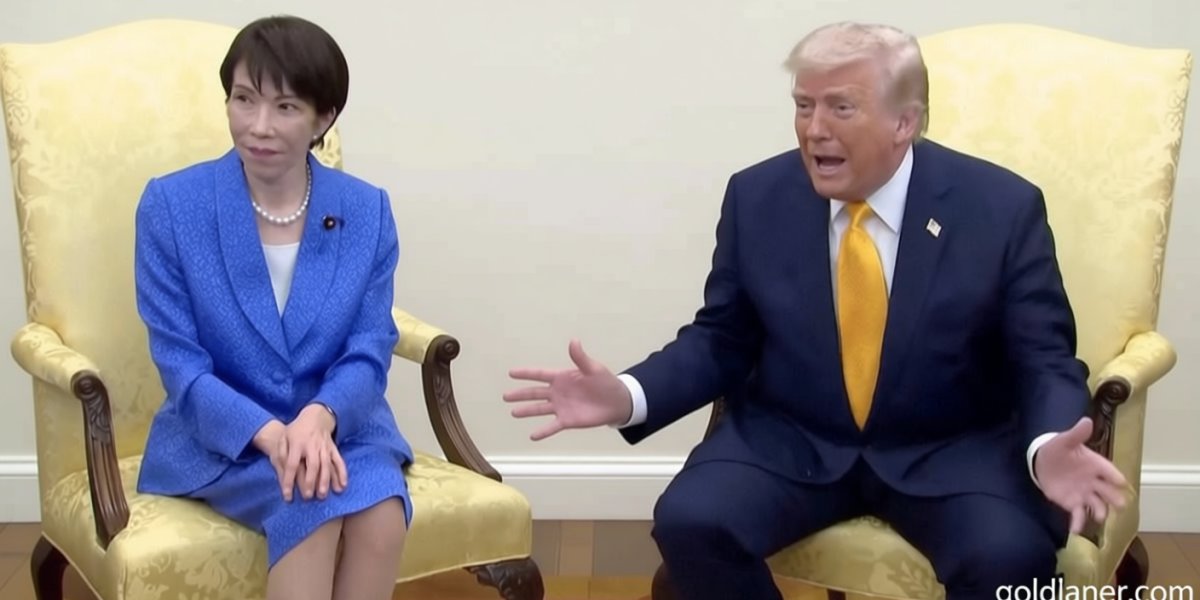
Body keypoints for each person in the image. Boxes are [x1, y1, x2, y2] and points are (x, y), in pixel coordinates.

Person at [504, 21, 1130, 600]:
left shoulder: (1001, 208)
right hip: (793, 440)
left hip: (951, 449)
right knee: (691, 521)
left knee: (1008, 555)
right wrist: (629, 394)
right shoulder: (758, 196)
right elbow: (722, 338)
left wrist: (1048, 443)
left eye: (840, 108)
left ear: (904, 122)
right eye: (803, 106)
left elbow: (1044, 358)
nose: (813, 129)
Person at [133, 15, 412, 600]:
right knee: (313, 502)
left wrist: (319, 419)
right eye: (244, 99)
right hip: (224, 438)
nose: (258, 126)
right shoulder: (172, 206)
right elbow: (180, 365)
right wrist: (272, 435)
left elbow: (369, 349)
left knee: (383, 516)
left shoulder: (366, 211)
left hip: (339, 428)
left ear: (323, 119)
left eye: (285, 107)